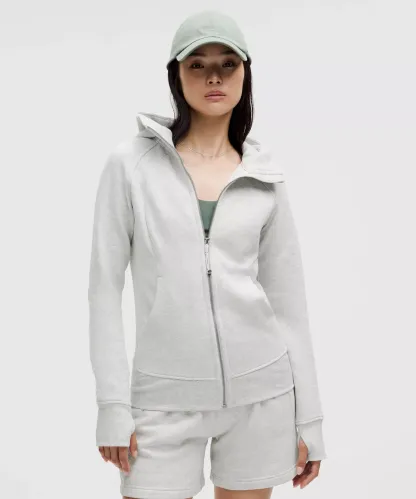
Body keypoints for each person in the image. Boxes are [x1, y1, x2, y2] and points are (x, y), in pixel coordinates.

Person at [88, 10, 327, 499]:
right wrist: (112, 403)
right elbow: (104, 290)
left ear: (245, 75)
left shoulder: (264, 176)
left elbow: (289, 306)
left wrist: (310, 419)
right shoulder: (131, 165)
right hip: (162, 400)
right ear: (176, 76)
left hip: (262, 399)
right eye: (197, 64)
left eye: (227, 64)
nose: (213, 76)